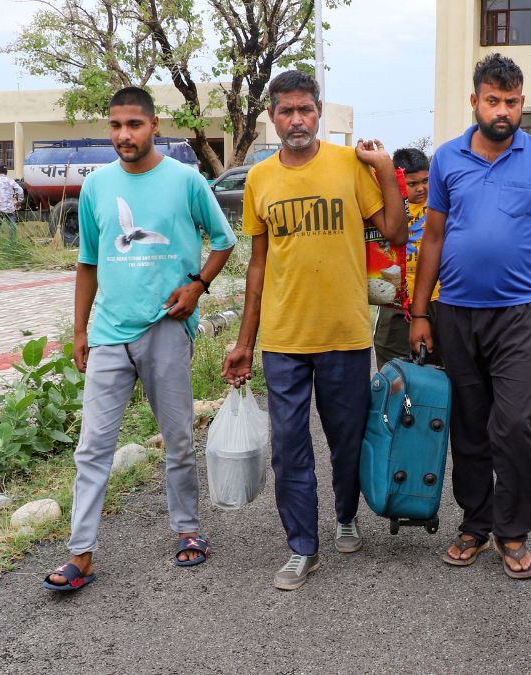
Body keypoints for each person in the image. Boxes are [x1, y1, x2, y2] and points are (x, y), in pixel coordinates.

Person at [408, 53, 531, 579]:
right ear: (474, 102)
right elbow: (432, 237)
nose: (502, 111)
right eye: (492, 101)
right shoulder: (448, 158)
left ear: (522, 105)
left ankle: (512, 531)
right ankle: (475, 522)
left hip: (520, 314)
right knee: (470, 425)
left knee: (515, 423)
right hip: (455, 313)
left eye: (512, 102)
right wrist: (420, 311)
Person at [43, 86, 236, 592]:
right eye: (115, 126)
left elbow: (224, 240)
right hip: (108, 331)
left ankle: (188, 529)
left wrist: (198, 287)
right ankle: (81, 554)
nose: (123, 135)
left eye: (133, 124)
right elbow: (87, 262)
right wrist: (80, 329)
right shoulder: (96, 187)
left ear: (155, 126)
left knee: (177, 438)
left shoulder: (186, 181)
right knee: (92, 447)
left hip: (166, 327)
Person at [221, 70, 406, 591]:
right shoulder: (258, 179)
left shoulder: (349, 166)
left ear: (319, 111)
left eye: (305, 109)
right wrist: (244, 340)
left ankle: (346, 513)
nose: (296, 120)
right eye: (286, 111)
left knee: (346, 440)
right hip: (284, 338)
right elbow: (257, 264)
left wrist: (386, 170)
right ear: (272, 118)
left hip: (345, 334)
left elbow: (394, 232)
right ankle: (303, 545)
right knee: (289, 445)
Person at [372, 147, 441, 369]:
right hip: (396, 301)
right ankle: (403, 405)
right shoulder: (386, 206)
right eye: (412, 184)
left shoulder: (440, 204)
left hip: (436, 298)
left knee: (437, 367)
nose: (421, 188)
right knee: (394, 369)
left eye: (425, 180)